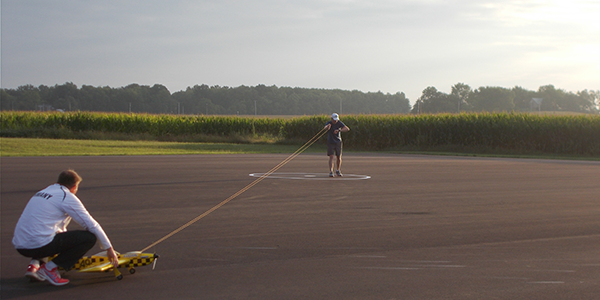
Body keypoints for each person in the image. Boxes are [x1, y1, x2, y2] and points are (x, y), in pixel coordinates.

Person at [12, 170, 118, 286]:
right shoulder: (66, 196)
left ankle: (34, 265)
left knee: (44, 233)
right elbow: (91, 224)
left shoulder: (44, 191)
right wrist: (109, 249)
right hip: (38, 245)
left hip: (20, 245)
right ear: (74, 187)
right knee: (89, 238)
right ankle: (49, 269)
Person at [323, 113, 350, 177]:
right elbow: (325, 128)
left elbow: (347, 128)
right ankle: (331, 171)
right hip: (331, 142)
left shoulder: (339, 123)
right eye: (334, 120)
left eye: (336, 120)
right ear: (331, 119)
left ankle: (338, 170)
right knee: (331, 156)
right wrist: (327, 127)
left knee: (338, 156)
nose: (335, 121)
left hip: (338, 142)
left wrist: (339, 130)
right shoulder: (329, 123)